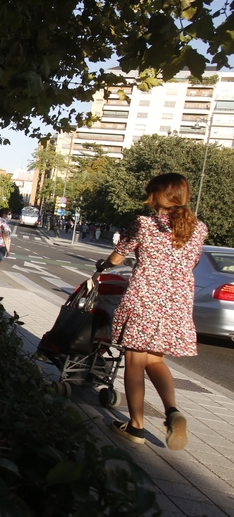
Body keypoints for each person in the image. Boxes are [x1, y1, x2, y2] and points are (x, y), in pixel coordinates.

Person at [97, 173, 208, 451]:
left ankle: (136, 425)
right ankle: (172, 411)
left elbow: (120, 254)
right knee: (156, 361)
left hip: (145, 298)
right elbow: (191, 263)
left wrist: (106, 265)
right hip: (177, 303)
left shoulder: (145, 224)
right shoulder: (199, 228)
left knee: (135, 362)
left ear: (156, 195)